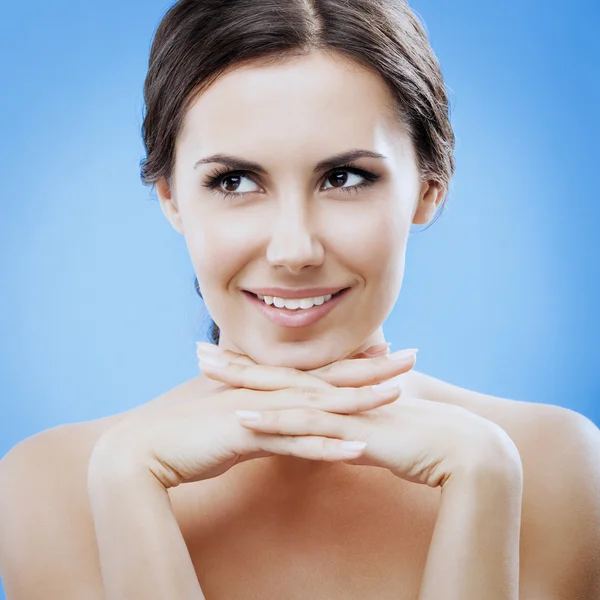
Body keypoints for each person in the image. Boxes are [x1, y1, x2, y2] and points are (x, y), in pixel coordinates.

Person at [1, 0, 599, 598]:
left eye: (344, 178)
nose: (294, 250)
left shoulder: (557, 466)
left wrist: (483, 483)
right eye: (234, 181)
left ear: (429, 187)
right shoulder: (49, 485)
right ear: (171, 199)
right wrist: (127, 483)